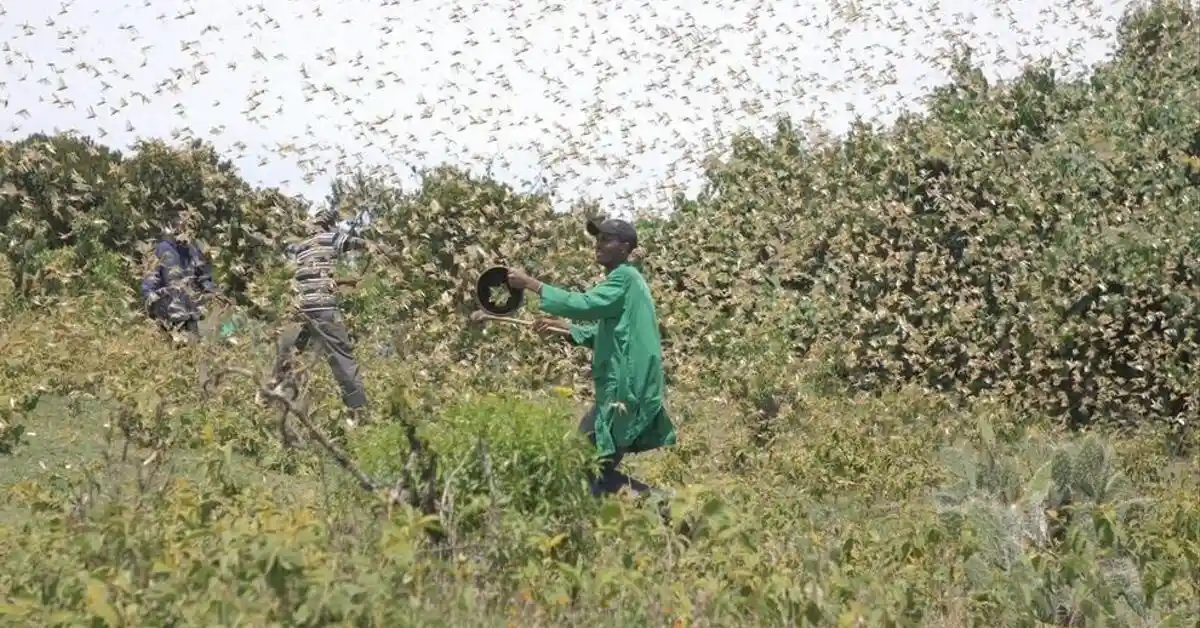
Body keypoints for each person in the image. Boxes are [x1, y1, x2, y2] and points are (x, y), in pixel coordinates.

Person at [506, 217, 677, 499]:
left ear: (624, 248)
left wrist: (532, 284)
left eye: (606, 240)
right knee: (592, 469)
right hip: (626, 391)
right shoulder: (628, 282)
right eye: (597, 239)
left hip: (624, 391)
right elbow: (610, 334)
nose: (598, 245)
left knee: (579, 463)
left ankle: (665, 508)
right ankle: (665, 508)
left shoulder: (624, 278)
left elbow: (585, 305)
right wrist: (564, 329)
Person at [270, 207, 379, 426]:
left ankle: (274, 398)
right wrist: (371, 245)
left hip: (303, 311)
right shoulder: (328, 237)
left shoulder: (302, 247)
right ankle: (359, 413)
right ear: (329, 225)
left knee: (291, 356)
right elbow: (351, 242)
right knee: (342, 359)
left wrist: (343, 282)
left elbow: (316, 279)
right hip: (324, 309)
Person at [140, 221, 221, 343]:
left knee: (193, 352)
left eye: (189, 230)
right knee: (170, 352)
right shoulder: (163, 249)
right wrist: (149, 295)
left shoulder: (193, 250)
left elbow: (202, 275)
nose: (185, 232)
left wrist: (211, 290)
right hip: (169, 315)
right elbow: (152, 277)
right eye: (181, 228)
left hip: (190, 314)